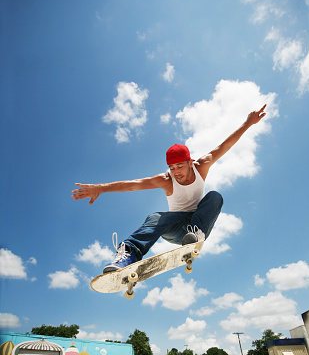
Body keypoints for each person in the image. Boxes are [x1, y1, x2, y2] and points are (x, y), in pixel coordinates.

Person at [72, 105, 266, 273]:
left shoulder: (202, 165)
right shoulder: (166, 180)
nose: (176, 172)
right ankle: (128, 255)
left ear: (190, 162)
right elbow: (132, 185)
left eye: (180, 166)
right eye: (172, 168)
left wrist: (248, 123)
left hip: (198, 225)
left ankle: (195, 235)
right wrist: (100, 188)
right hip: (175, 229)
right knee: (155, 217)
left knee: (215, 197)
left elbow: (226, 145)